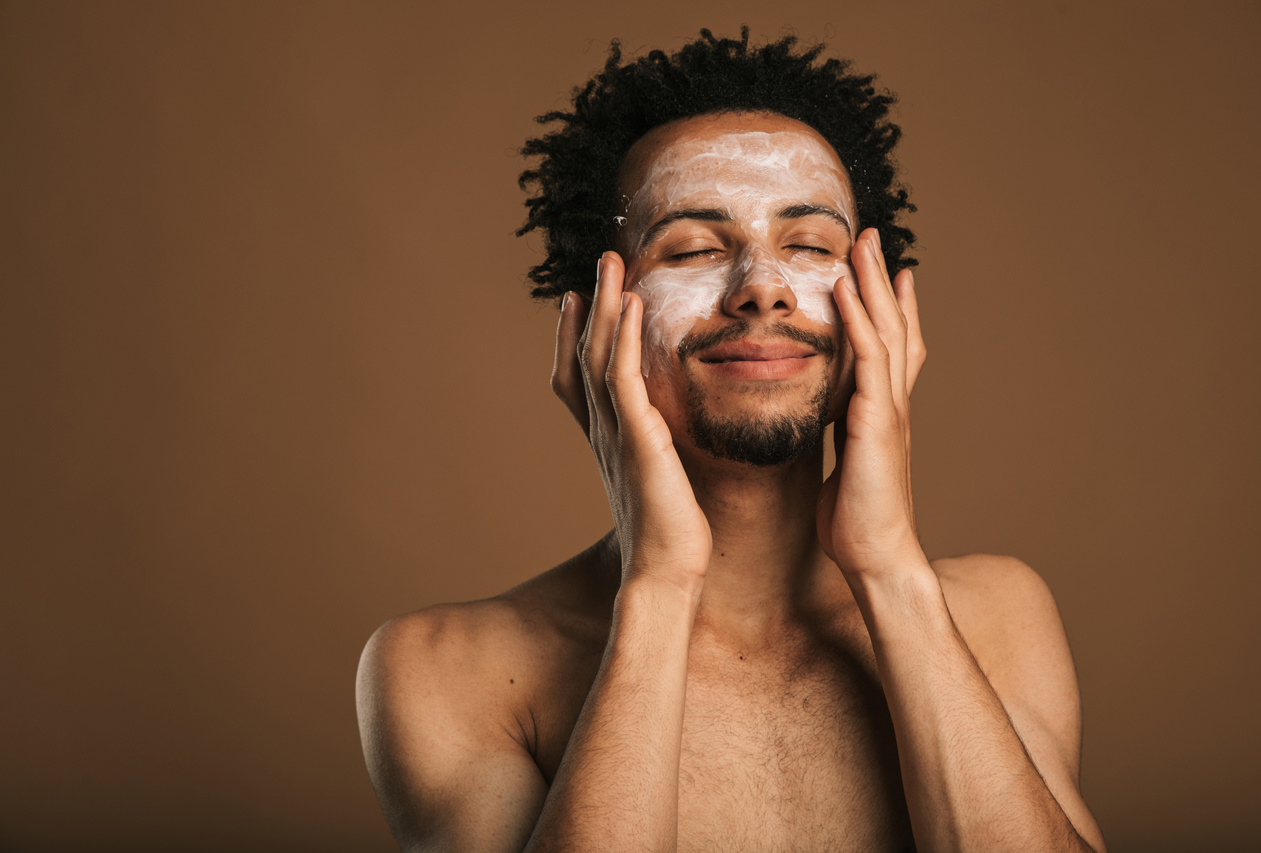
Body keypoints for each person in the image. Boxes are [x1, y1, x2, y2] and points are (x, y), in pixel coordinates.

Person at [356, 28, 1106, 852]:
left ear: (883, 311)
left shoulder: (1001, 616)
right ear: (596, 325)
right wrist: (658, 587)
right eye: (693, 248)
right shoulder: (445, 668)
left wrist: (892, 572)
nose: (763, 288)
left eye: (809, 243)